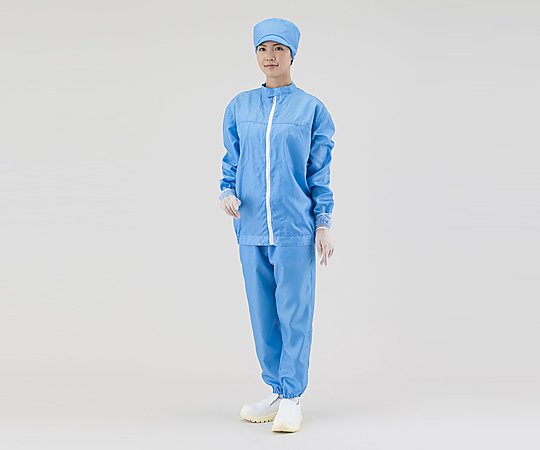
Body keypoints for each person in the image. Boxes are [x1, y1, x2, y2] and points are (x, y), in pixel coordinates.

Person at [218, 17, 335, 433]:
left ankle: (292, 397)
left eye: (278, 49)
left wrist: (323, 223)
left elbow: (319, 172)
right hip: (250, 227)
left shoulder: (311, 109)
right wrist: (226, 191)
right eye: (262, 49)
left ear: (292, 54)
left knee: (294, 312)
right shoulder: (240, 106)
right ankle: (276, 389)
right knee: (262, 314)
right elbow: (232, 160)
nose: (270, 56)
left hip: (294, 229)